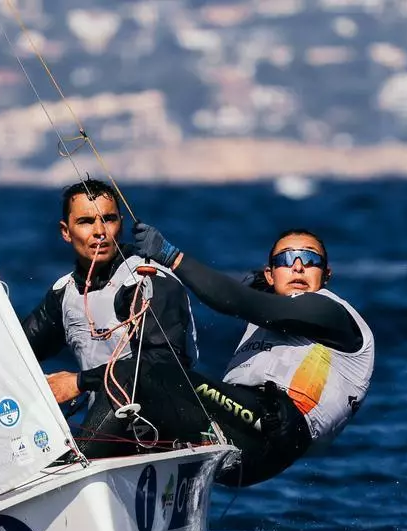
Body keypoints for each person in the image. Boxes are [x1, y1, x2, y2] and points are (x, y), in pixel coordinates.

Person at [48, 225, 375, 488]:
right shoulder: (269, 304)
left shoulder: (330, 313)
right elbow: (243, 291)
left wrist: (171, 257)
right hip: (234, 429)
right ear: (270, 274)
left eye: (310, 259)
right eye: (286, 259)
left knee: (135, 374)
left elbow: (237, 300)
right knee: (137, 411)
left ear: (326, 275)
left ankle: (67, 478)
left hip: (267, 431)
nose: (299, 266)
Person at [21, 179, 198, 405]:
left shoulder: (148, 281)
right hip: (106, 419)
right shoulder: (64, 293)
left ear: (120, 225)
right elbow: (14, 353)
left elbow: (163, 366)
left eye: (108, 219)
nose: (99, 231)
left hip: (164, 417)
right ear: (66, 232)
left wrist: (79, 382)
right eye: (86, 222)